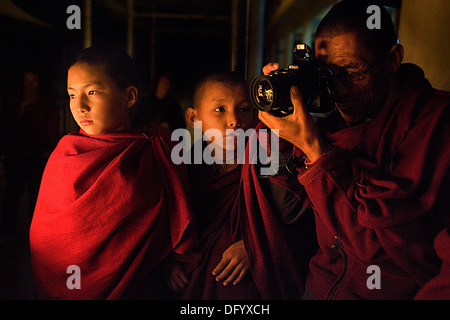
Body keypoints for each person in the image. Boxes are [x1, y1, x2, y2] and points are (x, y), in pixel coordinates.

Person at [259, 0, 450, 299]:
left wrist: (315, 149)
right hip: (319, 286)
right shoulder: (332, 123)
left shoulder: (434, 121)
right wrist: (284, 129)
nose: (339, 89)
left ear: (392, 59)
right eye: (327, 74)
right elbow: (288, 212)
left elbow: (377, 246)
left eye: (350, 72)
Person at [29, 47, 197, 299]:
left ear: (129, 97)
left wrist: (172, 260)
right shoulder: (66, 155)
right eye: (72, 95)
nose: (80, 106)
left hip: (142, 284)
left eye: (92, 92)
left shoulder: (157, 146)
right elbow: (50, 239)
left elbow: (174, 215)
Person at [166, 71, 317, 299]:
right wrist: (171, 261)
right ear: (194, 118)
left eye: (244, 109)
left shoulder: (269, 159)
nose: (234, 120)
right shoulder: (183, 167)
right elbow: (168, 226)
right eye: (220, 109)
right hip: (192, 285)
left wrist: (254, 245)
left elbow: (299, 225)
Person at [0, 69, 59, 238]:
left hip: (38, 154)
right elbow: (7, 127)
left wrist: (49, 150)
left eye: (34, 81)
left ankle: (34, 233)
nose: (31, 85)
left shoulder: (45, 102)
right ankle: (6, 232)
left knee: (36, 196)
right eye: (27, 81)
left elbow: (52, 127)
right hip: (16, 153)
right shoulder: (14, 101)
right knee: (12, 194)